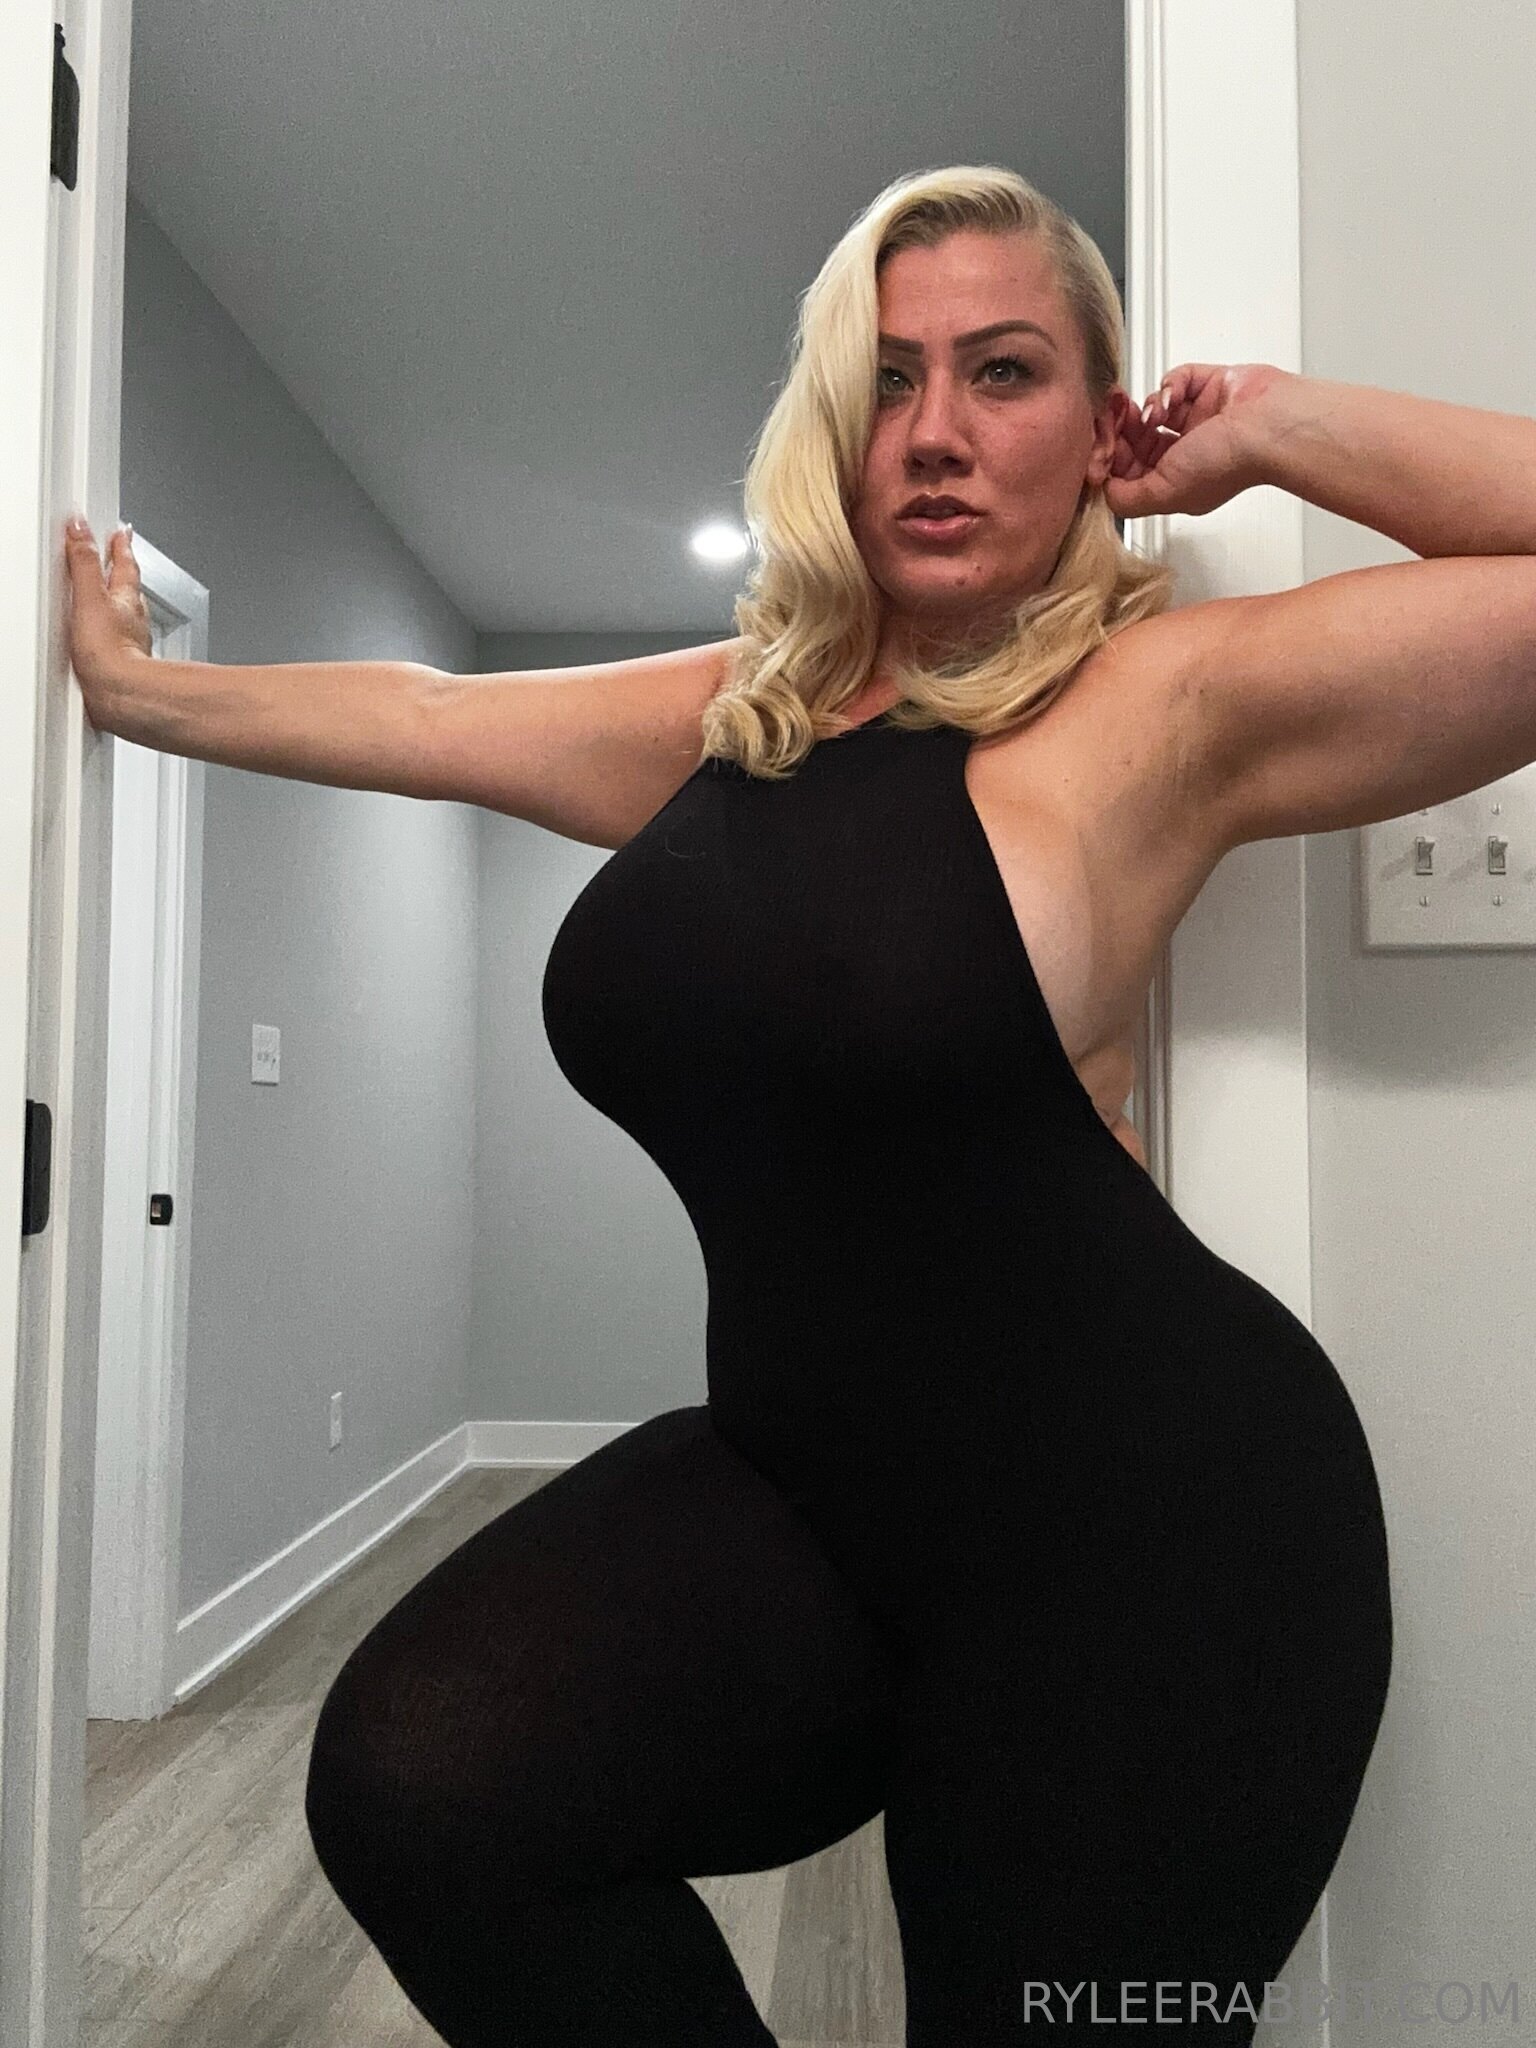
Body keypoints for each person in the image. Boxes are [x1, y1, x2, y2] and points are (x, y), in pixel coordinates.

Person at [67, 165, 1395, 2045]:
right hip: (810, 1489)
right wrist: (139, 693)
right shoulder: (744, 718)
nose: (933, 430)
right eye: (886, 376)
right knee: (427, 1788)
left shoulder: (1162, 702)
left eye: (1004, 371)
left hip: (1160, 1537)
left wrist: (1276, 426)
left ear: (1100, 424)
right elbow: (428, 722)